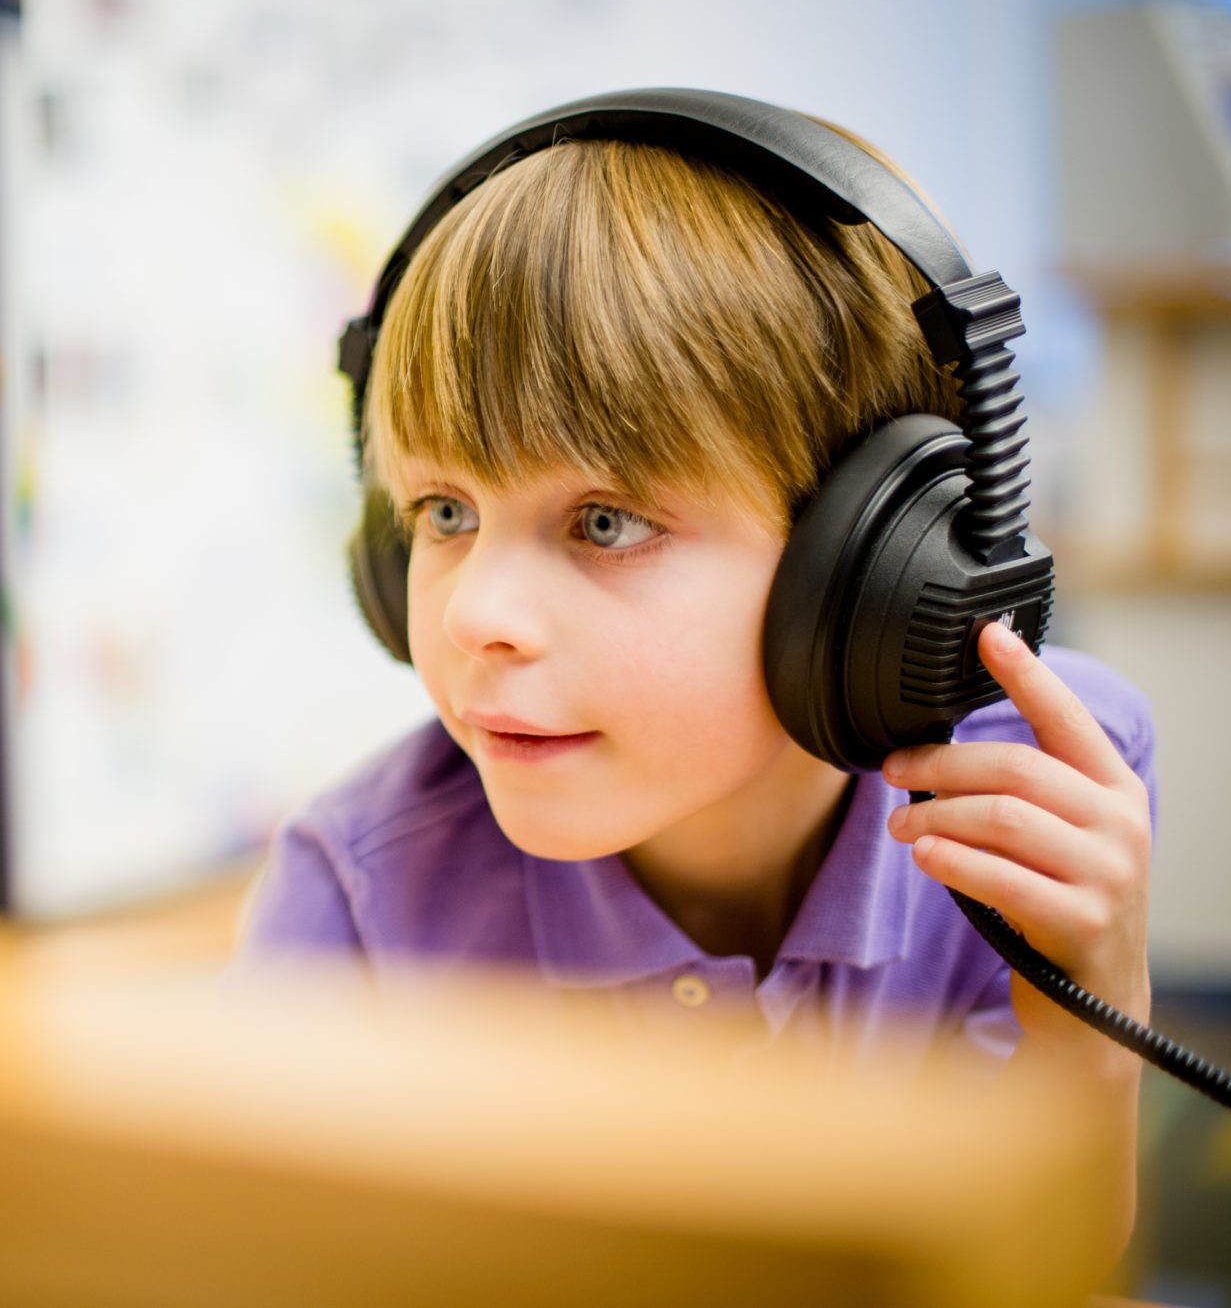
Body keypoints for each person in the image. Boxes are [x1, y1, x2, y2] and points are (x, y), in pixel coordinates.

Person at [228, 109, 1157, 1261]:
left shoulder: (1043, 799)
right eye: (443, 513)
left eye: (604, 522)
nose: (474, 616)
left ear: (867, 571)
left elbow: (1042, 1270)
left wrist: (1091, 1023)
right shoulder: (358, 898)